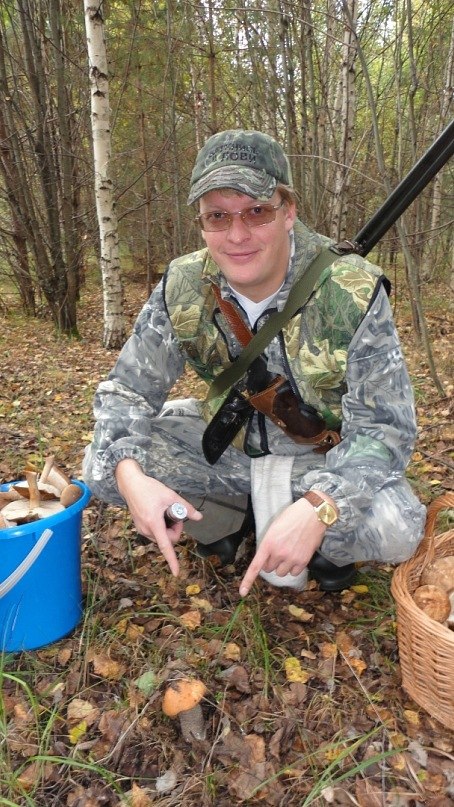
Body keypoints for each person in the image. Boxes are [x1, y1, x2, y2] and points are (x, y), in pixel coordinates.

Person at [83, 129, 426, 598]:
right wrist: (131, 477)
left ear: (289, 212)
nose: (237, 235)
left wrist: (321, 506)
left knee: (396, 526)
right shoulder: (183, 284)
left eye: (257, 212)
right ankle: (224, 518)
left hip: (320, 460)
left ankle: (315, 539)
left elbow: (386, 429)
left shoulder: (351, 290)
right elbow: (126, 391)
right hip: (229, 449)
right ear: (202, 224)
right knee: (104, 464)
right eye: (218, 216)